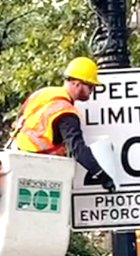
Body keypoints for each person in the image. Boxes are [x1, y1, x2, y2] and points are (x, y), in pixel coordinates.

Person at [9, 56, 117, 192]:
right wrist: (103, 177)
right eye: (90, 86)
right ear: (77, 84)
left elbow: (19, 119)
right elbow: (78, 150)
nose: (92, 92)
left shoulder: (43, 94)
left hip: (15, 158)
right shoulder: (66, 113)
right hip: (36, 168)